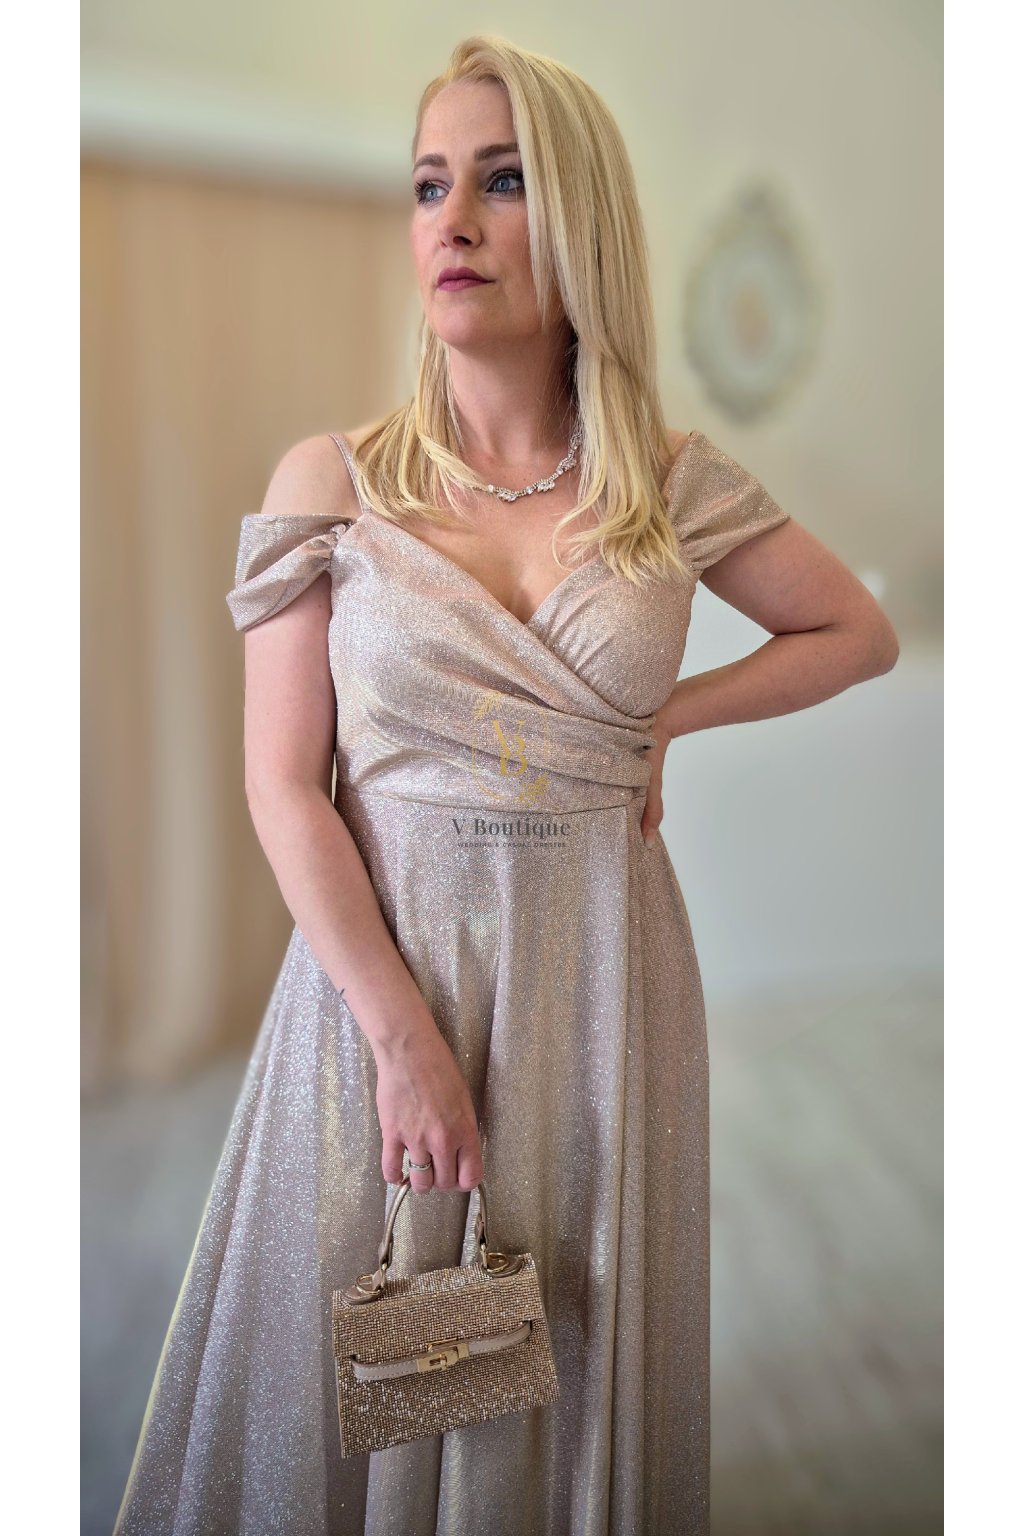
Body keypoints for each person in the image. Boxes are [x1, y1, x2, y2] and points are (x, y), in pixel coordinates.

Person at [113, 33, 899, 1536]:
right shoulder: (333, 484)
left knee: (567, 1351)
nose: (453, 221)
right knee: (365, 1360)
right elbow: (283, 787)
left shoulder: (667, 481)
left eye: (501, 180)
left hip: (600, 991)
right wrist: (400, 1038)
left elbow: (856, 632)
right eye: (429, 185)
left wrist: (665, 720)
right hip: (382, 989)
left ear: (579, 219)